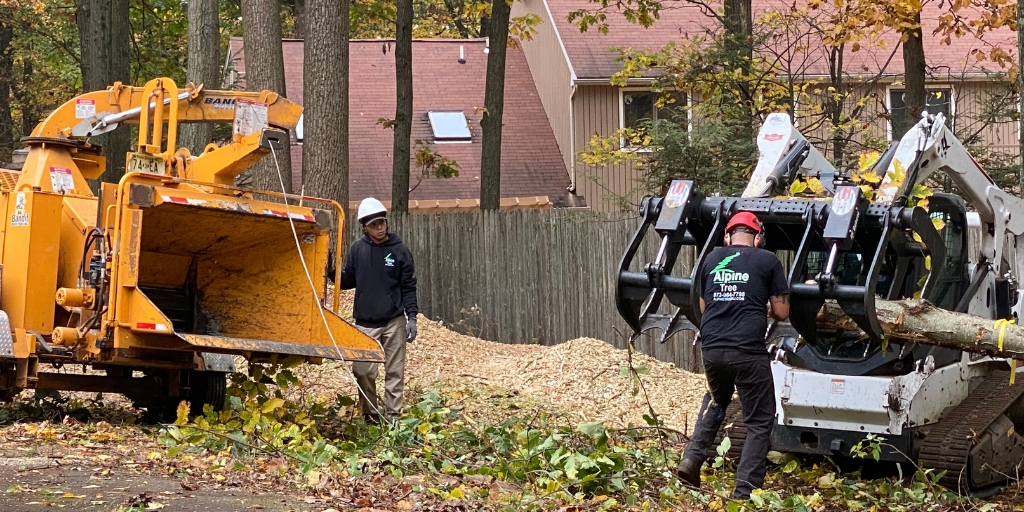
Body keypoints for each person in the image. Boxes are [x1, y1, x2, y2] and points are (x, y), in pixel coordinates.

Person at [676, 211, 790, 500]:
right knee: (760, 420)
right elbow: (781, 311)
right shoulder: (768, 260)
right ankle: (744, 492)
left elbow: (704, 307)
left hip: (712, 350)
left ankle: (691, 458)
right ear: (758, 237)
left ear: (727, 236)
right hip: (748, 353)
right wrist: (759, 304)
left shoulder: (711, 259)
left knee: (717, 400)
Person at [338, 197, 418, 424]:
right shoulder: (358, 250)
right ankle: (371, 415)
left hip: (394, 321)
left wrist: (412, 317)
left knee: (395, 371)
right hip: (365, 323)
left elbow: (409, 286)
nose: (379, 227)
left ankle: (393, 419)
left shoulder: (399, 250)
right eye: (374, 224)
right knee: (363, 371)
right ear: (364, 226)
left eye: (382, 222)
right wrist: (330, 271)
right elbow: (348, 280)